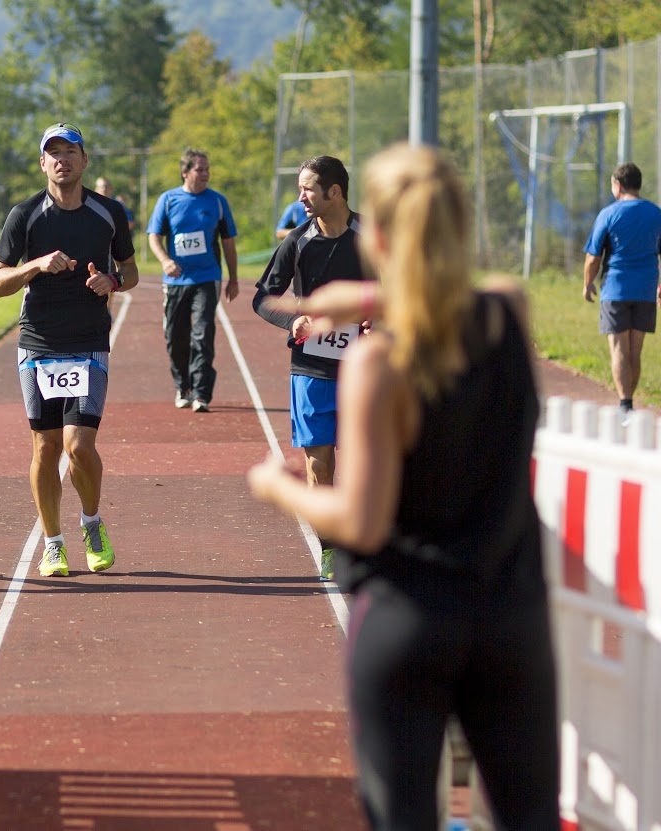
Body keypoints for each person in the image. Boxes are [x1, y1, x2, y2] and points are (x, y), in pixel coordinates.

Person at [247, 143, 559, 831]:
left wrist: (279, 486)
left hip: (407, 619)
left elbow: (359, 519)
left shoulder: (378, 362)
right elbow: (452, 296)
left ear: (376, 235)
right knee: (528, 815)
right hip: (510, 617)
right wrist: (369, 293)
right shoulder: (508, 312)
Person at [0, 122, 138, 578]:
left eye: (70, 151)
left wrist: (109, 281)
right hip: (38, 344)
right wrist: (34, 265)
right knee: (46, 447)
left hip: (88, 341)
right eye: (53, 153)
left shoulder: (108, 213)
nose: (62, 160)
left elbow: (130, 273)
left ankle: (91, 523)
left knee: (79, 446)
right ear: (42, 163)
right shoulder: (25, 215)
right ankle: (53, 544)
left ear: (84, 160)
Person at [251, 154, 366, 580]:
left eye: (307, 189)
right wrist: (292, 319)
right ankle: (331, 547)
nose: (300, 196)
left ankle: (361, 541)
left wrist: (380, 319)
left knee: (361, 461)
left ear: (334, 192)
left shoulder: (371, 238)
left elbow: (402, 288)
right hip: (311, 369)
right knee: (320, 463)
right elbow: (263, 296)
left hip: (363, 371)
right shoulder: (296, 242)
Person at [147, 149, 240, 413]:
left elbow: (229, 242)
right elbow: (154, 237)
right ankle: (183, 386)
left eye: (207, 169)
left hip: (207, 277)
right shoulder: (168, 200)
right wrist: (165, 260)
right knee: (175, 337)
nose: (205, 174)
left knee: (202, 333)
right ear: (185, 172)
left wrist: (233, 278)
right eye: (200, 169)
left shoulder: (217, 202)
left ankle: (201, 392)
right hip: (176, 281)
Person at [582, 161, 661, 421]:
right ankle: (629, 404)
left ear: (617, 184)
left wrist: (587, 284)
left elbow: (593, 257)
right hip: (645, 289)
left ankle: (625, 404)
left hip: (615, 288)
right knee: (634, 351)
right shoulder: (655, 213)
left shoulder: (608, 214)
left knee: (619, 350)